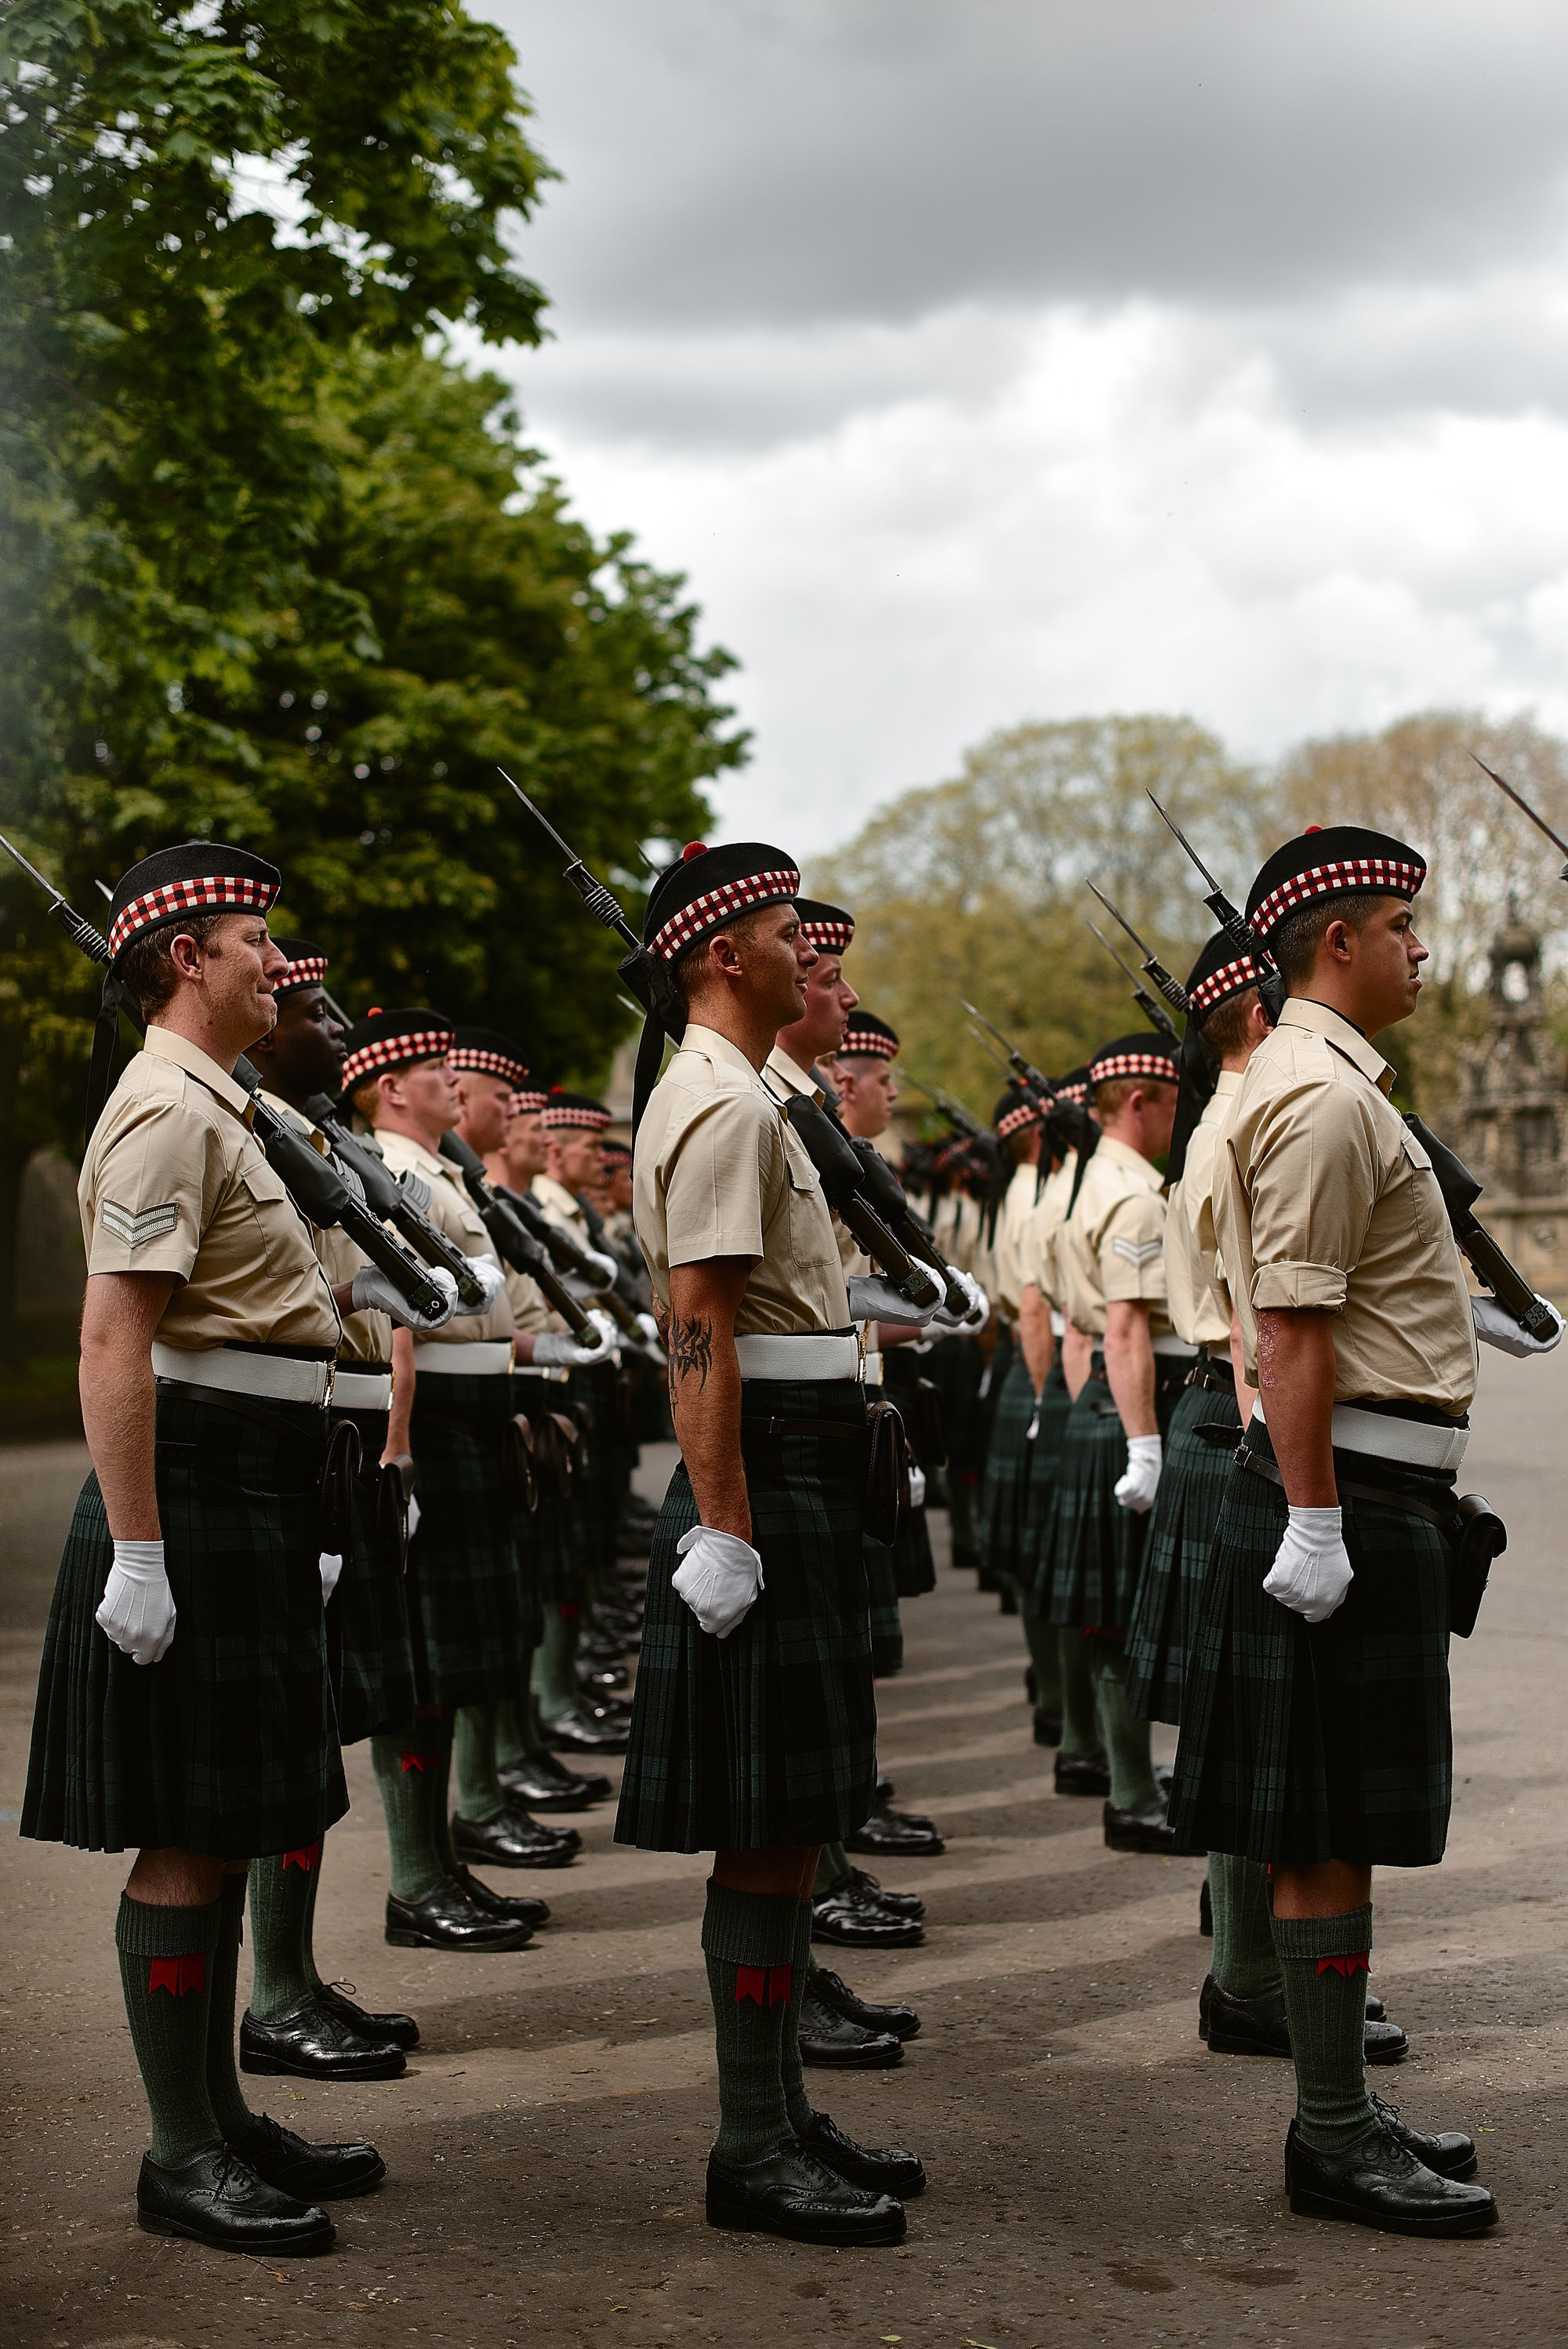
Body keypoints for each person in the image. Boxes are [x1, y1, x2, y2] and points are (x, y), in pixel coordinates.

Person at [1171, 826, 1560, 2237]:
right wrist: (1321, 1521)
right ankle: (1331, 2136)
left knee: (1324, 1814)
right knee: (1330, 1821)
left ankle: (1337, 2115)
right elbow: (1290, 1326)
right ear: (1338, 939)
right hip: (1348, 1487)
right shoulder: (1330, 1102)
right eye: (1402, 922)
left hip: (1365, 1476)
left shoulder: (1317, 1086)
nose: (1422, 947)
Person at [24, 846, 409, 2253]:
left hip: (249, 1484)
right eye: (253, 935)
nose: (273, 962)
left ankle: (223, 2112)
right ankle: (179, 2153)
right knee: (190, 1828)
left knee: (239, 1814)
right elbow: (114, 1337)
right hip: (185, 1489)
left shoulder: (222, 1108)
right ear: (189, 954)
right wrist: (139, 1551)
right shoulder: (162, 1113)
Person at [617, 839, 922, 2246]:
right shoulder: (723, 1105)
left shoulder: (739, 1093)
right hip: (766, 1483)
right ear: (721, 951)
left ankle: (781, 2113)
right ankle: (751, 2144)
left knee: (791, 1824)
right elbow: (699, 1319)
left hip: (795, 1466)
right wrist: (726, 1525)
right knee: (761, 1832)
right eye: (790, 929)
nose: (814, 952)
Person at [347, 1009, 614, 1948]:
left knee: (452, 1659)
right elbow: (403, 1329)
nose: (453, 1090)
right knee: (425, 1665)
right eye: (437, 1074)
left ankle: (443, 1856)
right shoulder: (398, 1171)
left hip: (474, 1418)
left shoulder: (439, 1170)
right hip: (434, 1427)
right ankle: (418, 1876)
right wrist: (398, 1450)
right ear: (390, 1086)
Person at [241, 939, 422, 2082]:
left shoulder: (303, 1134)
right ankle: (273, 1994)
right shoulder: (231, 1126)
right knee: (274, 1752)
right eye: (314, 1008)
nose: (337, 1030)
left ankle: (294, 1980)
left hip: (332, 1444)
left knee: (311, 1744)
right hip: (283, 1453)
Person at [1036, 1034, 1185, 1853]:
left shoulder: (1083, 1181)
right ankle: (1131, 1791)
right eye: (1168, 1101)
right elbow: (1125, 1326)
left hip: (1100, 1394)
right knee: (1126, 1611)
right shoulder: (1131, 1194)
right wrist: (1144, 1443)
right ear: (1139, 1101)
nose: (1176, 1115)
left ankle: (1130, 1779)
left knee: (1107, 1613)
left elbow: (1074, 1325)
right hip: (1137, 1400)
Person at [532, 1089, 636, 1752]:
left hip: (572, 1379)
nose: (601, 1160)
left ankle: (561, 1689)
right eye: (589, 1146)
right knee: (550, 1562)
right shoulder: (546, 1210)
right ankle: (551, 1701)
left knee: (576, 1549)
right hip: (541, 1385)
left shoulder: (564, 1211)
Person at [1014, 1073, 1101, 1777]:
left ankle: (1070, 1721)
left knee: (1067, 1572)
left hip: (1072, 1380)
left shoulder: (1051, 1191)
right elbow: (1036, 1308)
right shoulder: (1081, 1189)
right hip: (1090, 1378)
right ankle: (1085, 1737)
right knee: (1095, 1588)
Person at [974, 1084, 1045, 1602]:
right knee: (1037, 1540)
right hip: (1035, 1353)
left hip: (1020, 1353)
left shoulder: (1011, 1192)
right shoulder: (1033, 1195)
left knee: (1031, 1536)